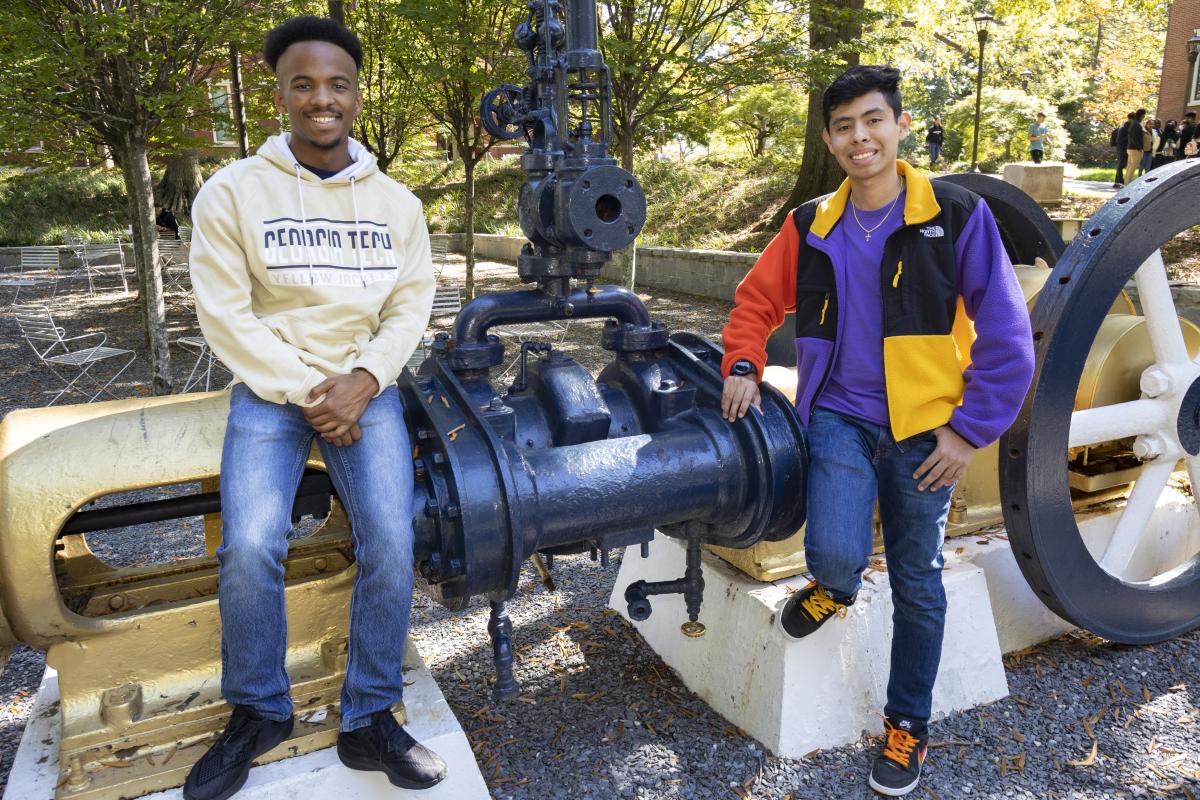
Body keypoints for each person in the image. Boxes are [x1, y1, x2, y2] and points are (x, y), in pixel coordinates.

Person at [720, 65, 1034, 797]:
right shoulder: (811, 224)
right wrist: (741, 362)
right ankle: (832, 587)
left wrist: (968, 432)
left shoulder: (952, 214)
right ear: (830, 141)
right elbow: (755, 302)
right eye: (843, 126)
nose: (859, 137)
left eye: (872, 121)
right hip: (838, 418)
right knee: (833, 551)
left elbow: (1007, 332)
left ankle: (907, 724)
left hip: (928, 433)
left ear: (897, 127)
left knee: (917, 579)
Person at [183, 16, 442, 800]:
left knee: (393, 542)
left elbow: (411, 303)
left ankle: (370, 717)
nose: (320, 98)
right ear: (281, 96)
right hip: (273, 394)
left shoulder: (396, 203)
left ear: (357, 95)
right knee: (251, 546)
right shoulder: (232, 192)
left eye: (336, 83)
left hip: (366, 390)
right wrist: (310, 392)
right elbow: (225, 314)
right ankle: (259, 710)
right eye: (304, 84)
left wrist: (363, 379)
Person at [1125, 108, 1147, 185]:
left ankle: (1126, 183)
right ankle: (1127, 184)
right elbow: (1135, 138)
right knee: (1132, 167)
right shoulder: (1136, 124)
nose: (1143, 118)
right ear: (1142, 116)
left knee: (1130, 167)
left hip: (1131, 148)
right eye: (1144, 116)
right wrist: (1139, 148)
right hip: (1135, 149)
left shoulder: (1134, 124)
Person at [1112, 114, 1132, 187]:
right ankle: (1119, 181)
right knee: (1121, 165)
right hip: (1122, 149)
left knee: (1121, 165)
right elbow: (1119, 140)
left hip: (1124, 149)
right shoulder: (1123, 128)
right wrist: (1129, 136)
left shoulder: (1125, 127)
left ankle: (1118, 181)